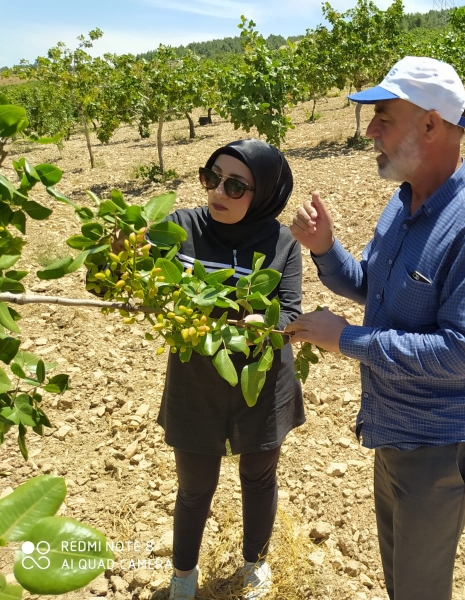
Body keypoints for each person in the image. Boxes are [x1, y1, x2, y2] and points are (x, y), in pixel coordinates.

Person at [286, 56, 465, 600]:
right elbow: (378, 288)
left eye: (384, 117)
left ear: (431, 125)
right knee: (402, 581)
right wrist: (327, 251)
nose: (371, 131)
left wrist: (343, 338)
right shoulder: (402, 203)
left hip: (438, 442)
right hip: (392, 428)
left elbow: (458, 353)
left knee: (419, 589)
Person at [159, 140, 305, 600]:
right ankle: (184, 575)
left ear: (262, 195)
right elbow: (119, 278)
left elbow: (290, 311)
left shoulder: (282, 243)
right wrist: (119, 249)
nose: (218, 191)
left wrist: (270, 324)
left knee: (259, 477)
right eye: (211, 177)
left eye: (236, 185)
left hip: (261, 382)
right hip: (195, 382)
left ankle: (254, 563)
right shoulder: (180, 227)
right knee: (195, 486)